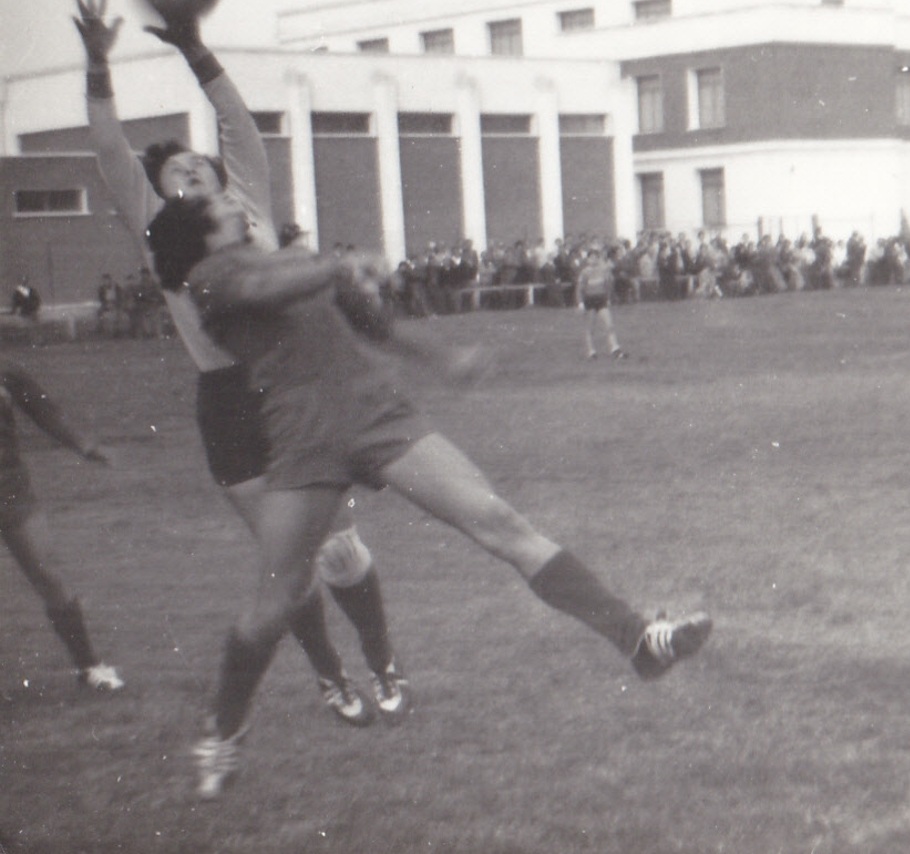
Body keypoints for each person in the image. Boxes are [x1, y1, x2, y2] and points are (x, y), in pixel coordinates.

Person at [144, 194, 712, 798]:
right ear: (201, 232)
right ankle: (223, 731)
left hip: (376, 413)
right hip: (302, 434)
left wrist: (444, 357)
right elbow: (261, 294)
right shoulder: (209, 278)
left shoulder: (290, 261)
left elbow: (372, 325)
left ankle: (638, 641)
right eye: (217, 201)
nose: (233, 200)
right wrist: (337, 264)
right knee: (276, 600)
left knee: (498, 521)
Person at [73, 0, 407, 728]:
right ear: (158, 196)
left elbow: (237, 125)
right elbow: (106, 150)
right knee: (285, 571)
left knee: (342, 553)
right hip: (227, 405)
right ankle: (332, 680)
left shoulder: (245, 201)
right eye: (175, 173)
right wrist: (98, 67)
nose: (191, 173)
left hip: (291, 388)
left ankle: (384, 663)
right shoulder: (161, 229)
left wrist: (195, 48)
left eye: (200, 167)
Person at [1, 360, 123, 692]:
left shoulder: (6, 370)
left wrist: (85, 446)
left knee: (48, 573)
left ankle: (89, 667)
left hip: (10, 490)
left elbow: (44, 411)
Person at [575, 247, 626, 361]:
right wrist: (580, 303)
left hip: (601, 299)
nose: (593, 260)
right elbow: (579, 289)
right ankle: (591, 351)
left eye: (595, 258)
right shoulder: (584, 272)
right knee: (590, 327)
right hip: (589, 300)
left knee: (609, 325)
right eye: (591, 258)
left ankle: (615, 348)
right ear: (587, 259)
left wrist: (608, 298)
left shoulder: (603, 271)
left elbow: (608, 285)